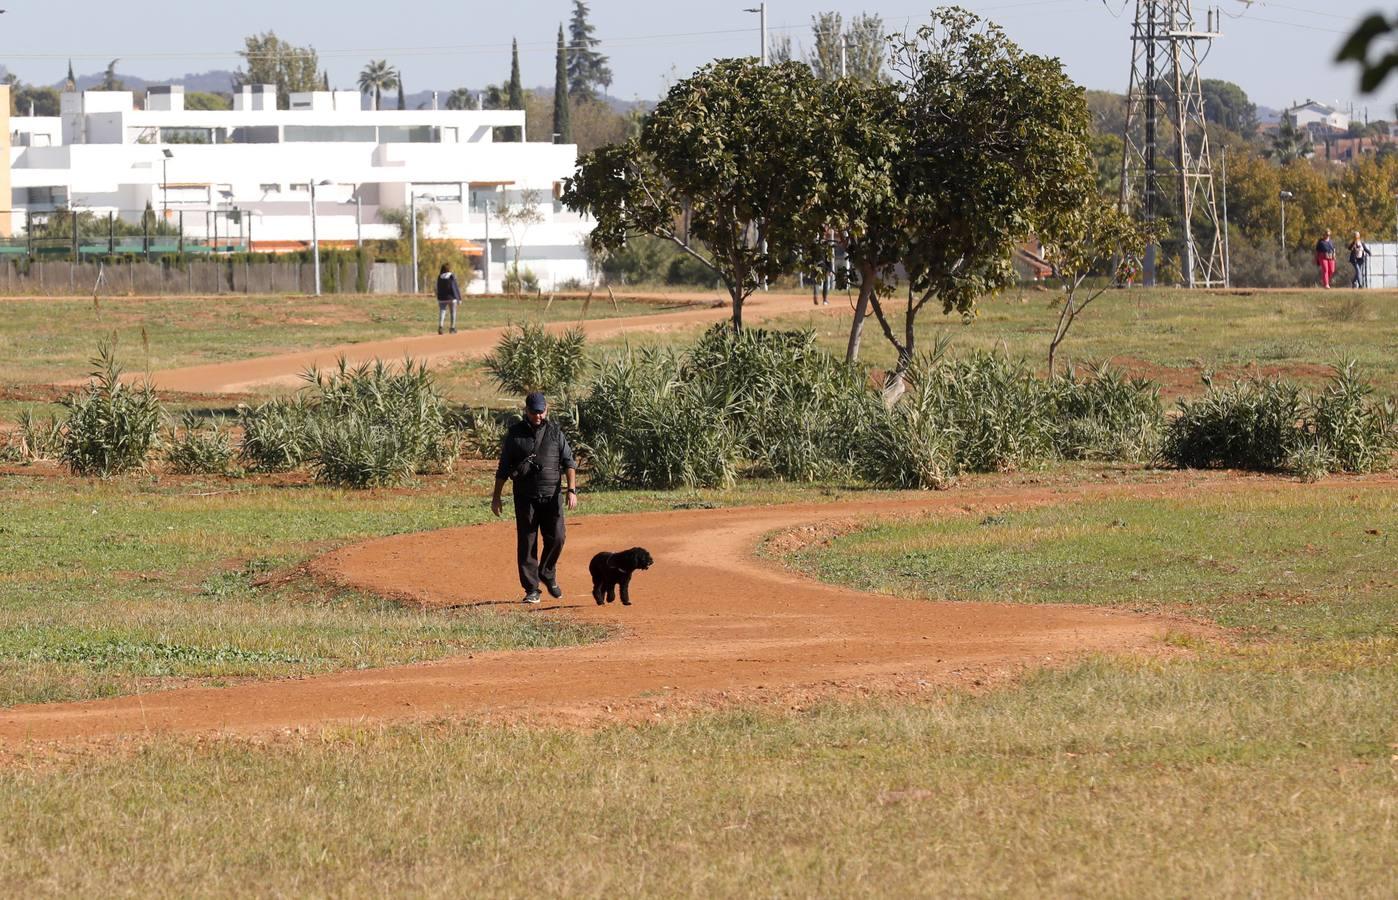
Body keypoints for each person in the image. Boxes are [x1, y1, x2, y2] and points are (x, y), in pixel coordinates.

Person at [491, 391, 578, 604]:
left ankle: (547, 572)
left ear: (546, 410)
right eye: (533, 412)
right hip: (525, 497)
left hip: (552, 496)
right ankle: (531, 589)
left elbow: (569, 463)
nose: (538, 416)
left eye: (541, 411)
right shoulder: (515, 434)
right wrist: (496, 497)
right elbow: (503, 468)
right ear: (526, 411)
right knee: (527, 543)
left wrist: (571, 490)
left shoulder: (556, 433)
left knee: (557, 537)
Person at [436, 262, 462, 334]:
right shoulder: (451, 276)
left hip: (442, 298)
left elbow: (437, 287)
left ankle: (440, 326)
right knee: (453, 312)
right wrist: (459, 298)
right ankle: (452, 328)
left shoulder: (439, 276)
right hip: (451, 297)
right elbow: (455, 287)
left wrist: (438, 296)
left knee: (442, 312)